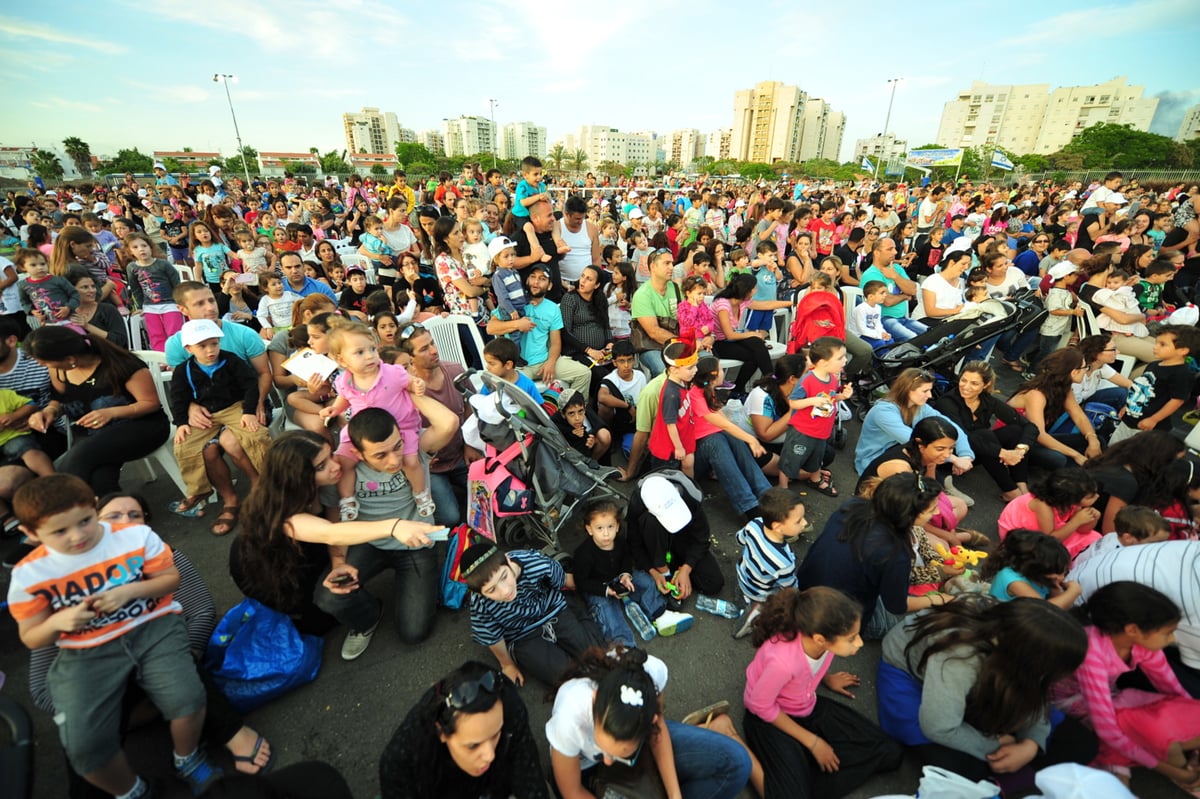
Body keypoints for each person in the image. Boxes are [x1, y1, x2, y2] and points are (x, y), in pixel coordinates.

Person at [6, 474, 223, 798]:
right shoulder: (29, 575)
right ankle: (131, 791)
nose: (78, 536)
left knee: (188, 699)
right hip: (86, 650)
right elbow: (32, 637)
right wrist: (59, 621)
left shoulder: (135, 536)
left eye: (85, 521)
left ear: (95, 507)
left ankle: (187, 757)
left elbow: (169, 579)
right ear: (30, 534)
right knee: (84, 747)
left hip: (153, 628)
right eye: (60, 531)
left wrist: (131, 591)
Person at [230, 431, 444, 637]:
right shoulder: (282, 514)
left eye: (331, 454)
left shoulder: (321, 485)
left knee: (413, 631)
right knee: (326, 608)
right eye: (322, 466)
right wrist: (396, 526)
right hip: (286, 579)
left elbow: (337, 522)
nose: (335, 465)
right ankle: (369, 616)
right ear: (299, 476)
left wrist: (339, 560)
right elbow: (331, 533)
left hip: (319, 555)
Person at [878, 597, 1097, 781]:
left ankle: (1008, 775)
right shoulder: (959, 654)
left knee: (1081, 744)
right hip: (909, 675)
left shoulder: (1019, 639)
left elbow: (1035, 693)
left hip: (981, 674)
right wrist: (994, 744)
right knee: (964, 767)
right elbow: (938, 727)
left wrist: (1031, 744)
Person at [310, 409, 446, 661]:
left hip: (415, 543)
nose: (394, 460)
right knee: (328, 596)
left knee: (414, 632)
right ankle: (369, 615)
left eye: (397, 446)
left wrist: (403, 385)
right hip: (367, 543)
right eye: (380, 455)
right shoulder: (339, 471)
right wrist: (338, 562)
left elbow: (448, 423)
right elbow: (334, 519)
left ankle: (423, 585)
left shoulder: (413, 451)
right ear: (357, 454)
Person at [742, 587, 904, 799]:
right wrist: (813, 742)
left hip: (806, 706)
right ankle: (731, 736)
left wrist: (825, 678)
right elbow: (757, 704)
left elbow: (808, 667)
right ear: (820, 639)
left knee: (890, 753)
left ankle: (797, 772)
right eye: (852, 638)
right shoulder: (782, 662)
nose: (860, 643)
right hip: (771, 719)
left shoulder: (820, 643)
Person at [546, 646, 752, 799]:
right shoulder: (569, 718)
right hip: (587, 771)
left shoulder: (650, 672)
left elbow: (657, 730)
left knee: (738, 764)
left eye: (620, 755)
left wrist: (674, 795)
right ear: (595, 699)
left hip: (642, 747)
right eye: (602, 747)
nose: (609, 761)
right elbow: (572, 791)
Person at [1053, 582, 1200, 791]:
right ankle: (1175, 767)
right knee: (1135, 729)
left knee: (1181, 710)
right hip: (1072, 706)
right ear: (1132, 630)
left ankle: (1181, 759)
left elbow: (1174, 690)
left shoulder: (1144, 646)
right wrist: (1169, 770)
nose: (1172, 638)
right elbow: (1107, 729)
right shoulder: (1091, 652)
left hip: (1115, 697)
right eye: (1168, 632)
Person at [795, 473, 947, 639]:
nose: (938, 511)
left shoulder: (854, 505)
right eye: (932, 509)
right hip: (834, 618)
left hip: (804, 590)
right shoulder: (896, 552)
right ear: (909, 514)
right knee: (900, 624)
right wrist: (939, 599)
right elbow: (897, 606)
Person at [24, 325, 169, 496]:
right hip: (91, 434)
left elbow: (150, 403)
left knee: (76, 460)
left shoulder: (122, 364)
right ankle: (110, 517)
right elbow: (60, 400)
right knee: (99, 481)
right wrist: (49, 411)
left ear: (70, 358)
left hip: (139, 427)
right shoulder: (58, 370)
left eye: (44, 361)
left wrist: (111, 412)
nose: (40, 364)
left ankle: (61, 506)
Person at [378, 661, 549, 799]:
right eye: (473, 746)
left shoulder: (511, 709)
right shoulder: (401, 763)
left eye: (496, 734)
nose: (490, 755)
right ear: (441, 732)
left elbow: (529, 779)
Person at [169, 319, 270, 534]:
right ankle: (198, 489)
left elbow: (251, 385)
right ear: (189, 349)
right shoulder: (183, 370)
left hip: (234, 407)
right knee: (183, 445)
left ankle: (270, 476)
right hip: (206, 414)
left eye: (214, 344)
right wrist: (181, 423)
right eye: (202, 346)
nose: (210, 350)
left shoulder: (231, 361)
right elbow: (178, 397)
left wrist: (249, 411)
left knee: (256, 434)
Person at [460, 541, 603, 687]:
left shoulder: (535, 563)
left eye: (504, 577)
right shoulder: (479, 603)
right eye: (491, 590)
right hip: (522, 634)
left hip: (554, 610)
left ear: (508, 560)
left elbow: (563, 579)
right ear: (479, 593)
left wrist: (599, 585)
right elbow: (492, 636)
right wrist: (507, 664)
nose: (505, 591)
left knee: (596, 657)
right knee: (567, 679)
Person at [571, 497, 692, 647]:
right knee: (605, 609)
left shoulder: (620, 541)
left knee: (646, 582)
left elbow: (626, 558)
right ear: (589, 529)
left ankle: (660, 615)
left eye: (610, 527)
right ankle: (623, 646)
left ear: (617, 526)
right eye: (599, 528)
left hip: (619, 578)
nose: (606, 534)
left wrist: (626, 574)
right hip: (598, 586)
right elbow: (581, 582)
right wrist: (606, 590)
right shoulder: (583, 553)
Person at [855, 418, 978, 547]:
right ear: (920, 444)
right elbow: (910, 515)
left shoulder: (922, 454)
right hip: (879, 516)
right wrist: (949, 536)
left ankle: (950, 536)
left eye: (951, 448)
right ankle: (954, 537)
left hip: (908, 507)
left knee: (960, 505)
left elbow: (930, 490)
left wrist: (932, 465)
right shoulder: (900, 468)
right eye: (940, 448)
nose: (947, 454)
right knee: (942, 546)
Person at [398, 323, 471, 528]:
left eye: (432, 343)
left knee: (491, 498)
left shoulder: (455, 370)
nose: (433, 350)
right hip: (431, 468)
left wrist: (470, 445)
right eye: (423, 349)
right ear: (409, 358)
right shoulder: (403, 391)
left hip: (461, 455)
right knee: (450, 517)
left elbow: (470, 407)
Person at [934, 361, 1037, 502]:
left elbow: (1029, 426)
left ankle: (1021, 484)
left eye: (974, 383)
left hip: (979, 450)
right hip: (953, 455)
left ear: (986, 384)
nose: (966, 387)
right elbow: (962, 437)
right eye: (963, 380)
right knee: (983, 435)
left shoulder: (987, 400)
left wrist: (1020, 450)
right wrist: (1004, 453)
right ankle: (1011, 491)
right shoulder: (947, 402)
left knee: (1016, 430)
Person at [485, 264, 592, 396]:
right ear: (527, 281)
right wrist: (517, 324)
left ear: (549, 285)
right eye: (533, 277)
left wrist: (551, 363)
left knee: (583, 374)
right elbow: (490, 328)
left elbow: (556, 343)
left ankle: (569, 412)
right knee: (508, 390)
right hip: (519, 366)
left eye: (542, 279)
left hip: (544, 362)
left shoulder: (553, 309)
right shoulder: (514, 304)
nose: (536, 282)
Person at [854, 367, 973, 476]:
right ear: (908, 390)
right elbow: (913, 443)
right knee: (928, 460)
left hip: (902, 453)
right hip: (873, 460)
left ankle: (939, 487)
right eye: (925, 391)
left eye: (930, 390)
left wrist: (965, 455)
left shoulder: (920, 407)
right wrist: (954, 459)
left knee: (931, 462)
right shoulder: (883, 412)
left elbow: (950, 426)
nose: (930, 395)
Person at [627, 471, 726, 600]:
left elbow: (701, 538)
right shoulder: (638, 504)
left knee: (713, 583)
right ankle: (664, 569)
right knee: (649, 522)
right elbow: (634, 544)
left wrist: (686, 568)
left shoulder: (690, 496)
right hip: (654, 543)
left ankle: (675, 570)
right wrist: (654, 572)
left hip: (683, 540)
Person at [779, 337, 851, 497]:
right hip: (802, 431)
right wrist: (812, 401)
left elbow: (831, 397)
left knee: (816, 458)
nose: (845, 360)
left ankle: (815, 478)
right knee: (790, 460)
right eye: (840, 358)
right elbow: (793, 403)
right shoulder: (808, 379)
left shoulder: (832, 378)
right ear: (824, 362)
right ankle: (782, 488)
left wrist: (842, 397)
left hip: (822, 430)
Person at [1007, 349, 1103, 469]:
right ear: (1074, 372)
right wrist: (1075, 455)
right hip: (1016, 441)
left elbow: (1078, 416)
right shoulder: (1036, 394)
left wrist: (1092, 439)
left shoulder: (1064, 389)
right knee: (1058, 459)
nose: (1086, 371)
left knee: (1096, 441)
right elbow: (1039, 434)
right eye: (1085, 368)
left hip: (1034, 439)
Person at [732, 487, 806, 639]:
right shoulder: (783, 562)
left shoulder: (755, 524)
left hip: (743, 576)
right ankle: (753, 617)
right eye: (799, 521)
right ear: (778, 527)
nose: (805, 523)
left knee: (745, 589)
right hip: (760, 593)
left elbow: (739, 538)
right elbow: (789, 588)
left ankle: (742, 598)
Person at [1109, 325, 1198, 445]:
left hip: (1149, 428)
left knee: (1135, 456)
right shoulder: (1153, 365)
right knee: (1114, 448)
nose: (1155, 347)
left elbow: (1177, 400)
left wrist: (1153, 419)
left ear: (1183, 350)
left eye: (1162, 344)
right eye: (1156, 343)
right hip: (1129, 419)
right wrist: (1128, 405)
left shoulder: (1181, 373)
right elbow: (1139, 388)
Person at [997, 468, 1101, 558]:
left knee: (1094, 537)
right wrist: (1076, 521)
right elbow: (1050, 539)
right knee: (1050, 554)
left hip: (1050, 530)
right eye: (1090, 497)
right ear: (1070, 498)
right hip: (1022, 536)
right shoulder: (1043, 505)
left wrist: (1093, 518)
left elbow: (1082, 530)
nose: (1097, 497)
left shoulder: (1073, 503)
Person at [710, 272, 776, 397]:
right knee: (755, 352)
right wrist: (752, 334)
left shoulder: (741, 301)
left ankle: (768, 381)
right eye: (754, 288)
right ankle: (770, 382)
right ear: (747, 291)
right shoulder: (723, 305)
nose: (756, 290)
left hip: (730, 339)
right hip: (717, 342)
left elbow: (766, 305)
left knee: (757, 347)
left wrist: (793, 303)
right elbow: (729, 335)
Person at [981, 528, 1079, 607]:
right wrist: (1073, 592)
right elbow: (1045, 610)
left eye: (1064, 572)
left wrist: (1055, 587)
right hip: (996, 619)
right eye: (1058, 572)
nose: (1062, 577)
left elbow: (1058, 605)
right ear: (1037, 568)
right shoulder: (1013, 580)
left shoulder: (1040, 577)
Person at [859, 237, 926, 342]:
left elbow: (913, 290)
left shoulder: (896, 269)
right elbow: (887, 301)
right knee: (914, 339)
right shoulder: (871, 274)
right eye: (889, 249)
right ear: (876, 253)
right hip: (882, 319)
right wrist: (904, 296)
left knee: (930, 333)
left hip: (903, 318)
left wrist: (895, 276)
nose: (895, 252)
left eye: (895, 248)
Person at [123, 233, 183, 350]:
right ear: (130, 252)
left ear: (150, 247)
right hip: (149, 306)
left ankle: (177, 355)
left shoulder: (163, 264)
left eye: (144, 245)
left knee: (174, 332)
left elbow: (176, 283)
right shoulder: (131, 267)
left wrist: (180, 301)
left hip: (170, 303)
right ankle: (160, 359)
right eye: (135, 247)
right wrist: (140, 306)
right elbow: (136, 289)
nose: (141, 249)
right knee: (156, 335)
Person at [630, 246, 682, 377]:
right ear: (653, 266)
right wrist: (684, 343)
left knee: (705, 361)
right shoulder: (642, 294)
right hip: (652, 347)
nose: (671, 267)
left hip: (677, 342)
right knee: (663, 370)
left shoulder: (676, 288)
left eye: (672, 263)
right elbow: (653, 332)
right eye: (667, 263)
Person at [65, 271, 127, 348]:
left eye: (93, 286)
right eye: (85, 287)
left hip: (109, 355)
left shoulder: (107, 310)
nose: (92, 291)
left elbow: (120, 341)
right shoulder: (66, 313)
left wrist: (87, 326)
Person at [489, 235, 527, 348]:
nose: (511, 258)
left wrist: (528, 301)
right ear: (496, 259)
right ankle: (514, 355)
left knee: (520, 333)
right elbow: (502, 296)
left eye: (512, 255)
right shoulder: (498, 275)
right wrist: (511, 310)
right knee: (513, 335)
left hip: (519, 307)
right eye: (506, 256)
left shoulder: (514, 272)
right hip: (509, 309)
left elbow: (521, 290)